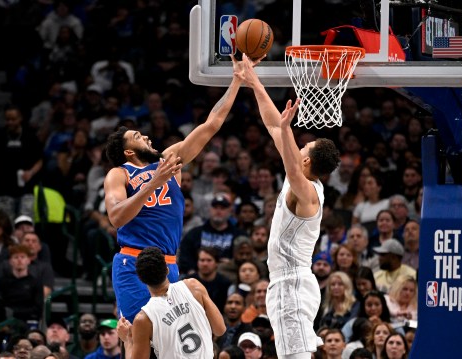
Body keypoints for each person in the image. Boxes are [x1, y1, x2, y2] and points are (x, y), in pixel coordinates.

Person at [104, 54, 250, 321]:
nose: (146, 136)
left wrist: (236, 82)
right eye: (138, 137)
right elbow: (116, 217)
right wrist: (153, 184)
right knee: (139, 337)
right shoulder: (119, 173)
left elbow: (211, 125)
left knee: (167, 339)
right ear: (128, 152)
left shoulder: (169, 160)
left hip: (169, 263)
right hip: (133, 263)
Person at [236, 53, 341, 358]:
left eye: (303, 146)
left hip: (291, 283)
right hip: (290, 282)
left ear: (306, 159)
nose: (298, 145)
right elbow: (272, 123)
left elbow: (291, 167)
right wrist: (252, 78)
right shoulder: (304, 178)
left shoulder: (307, 191)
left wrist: (286, 129)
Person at [117, 247, 226, 359]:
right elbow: (220, 330)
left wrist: (128, 341)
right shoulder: (194, 287)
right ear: (167, 269)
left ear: (141, 279)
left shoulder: (143, 319)